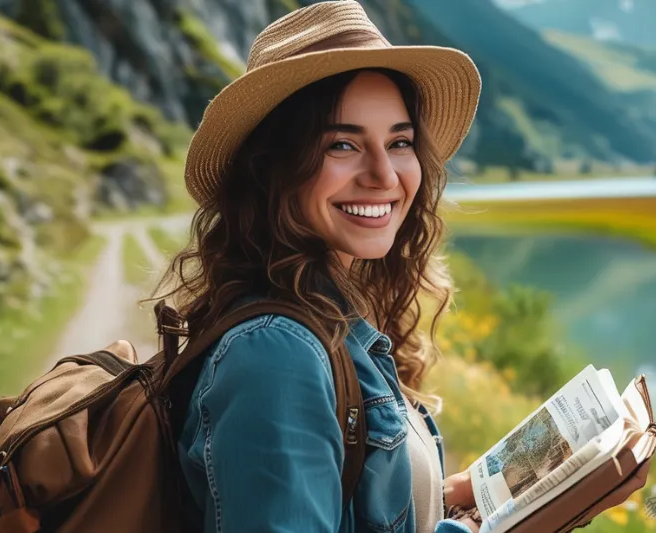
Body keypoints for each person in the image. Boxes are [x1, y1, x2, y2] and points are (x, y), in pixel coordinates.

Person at [152, 1, 483, 532]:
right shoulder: (276, 354)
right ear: (272, 168)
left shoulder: (331, 316)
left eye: (399, 141)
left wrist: (449, 502)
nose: (383, 174)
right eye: (343, 144)